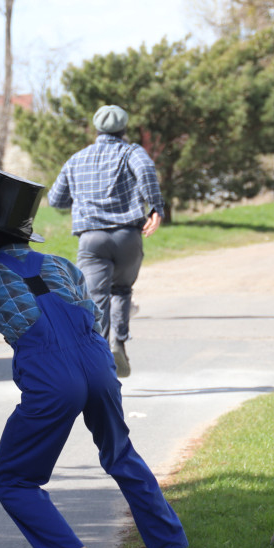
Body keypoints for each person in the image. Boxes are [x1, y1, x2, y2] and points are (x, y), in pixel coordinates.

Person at [0, 170, 188, 548]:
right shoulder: (62, 265)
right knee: (120, 453)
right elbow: (92, 318)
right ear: (28, 238)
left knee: (11, 478)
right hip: (97, 363)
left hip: (50, 375)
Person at [48, 104, 165, 378]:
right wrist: (156, 207)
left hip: (92, 239)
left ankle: (99, 356)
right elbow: (146, 171)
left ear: (96, 128)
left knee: (95, 298)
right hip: (127, 235)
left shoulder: (77, 159)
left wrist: (81, 194)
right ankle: (119, 343)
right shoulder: (131, 153)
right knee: (122, 290)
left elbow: (56, 200)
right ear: (124, 129)